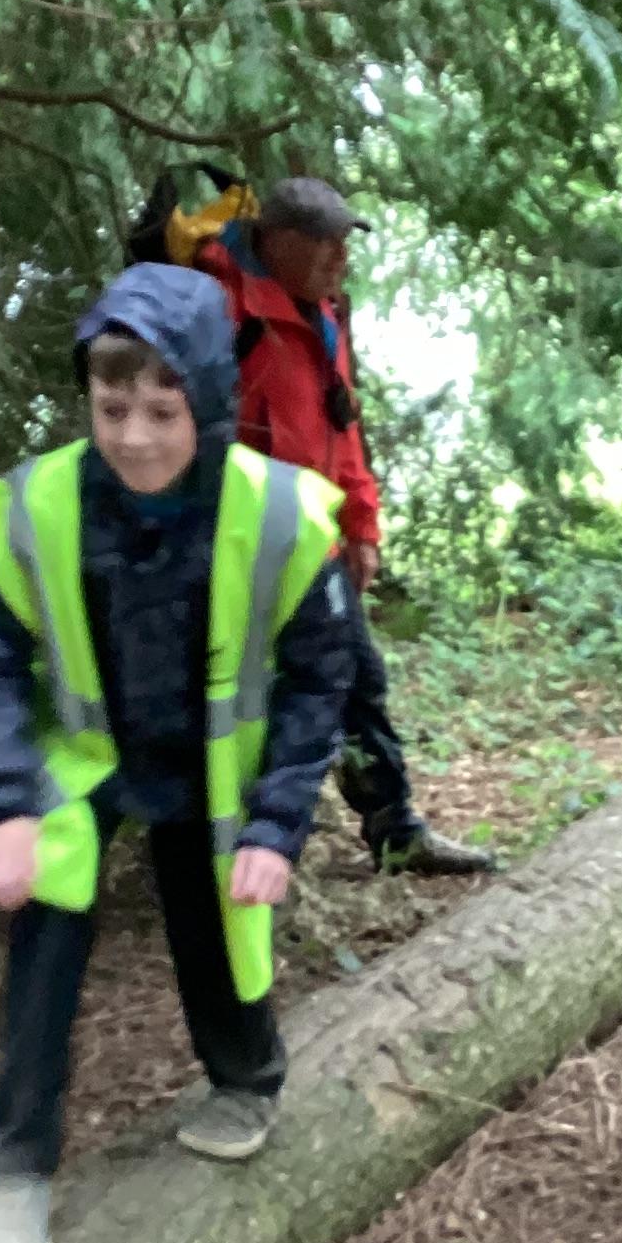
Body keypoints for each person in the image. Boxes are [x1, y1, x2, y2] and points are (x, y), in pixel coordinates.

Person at [0, 265, 353, 1243]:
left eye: (162, 413)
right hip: (85, 762)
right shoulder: (41, 504)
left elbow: (320, 680)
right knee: (46, 937)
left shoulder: (280, 513)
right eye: (112, 409)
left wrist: (277, 822)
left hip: (210, 769)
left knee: (210, 910)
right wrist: (5, 804)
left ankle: (245, 1081)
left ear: (207, 403)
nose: (134, 437)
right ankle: (16, 1169)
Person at [189, 179, 494, 878]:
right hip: (242, 548)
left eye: (344, 243)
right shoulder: (220, 304)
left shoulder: (320, 312)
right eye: (325, 244)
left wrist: (361, 525)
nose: (341, 259)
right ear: (279, 241)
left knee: (357, 680)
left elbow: (340, 422)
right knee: (252, 700)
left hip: (313, 541)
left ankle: (394, 830)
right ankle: (235, 850)